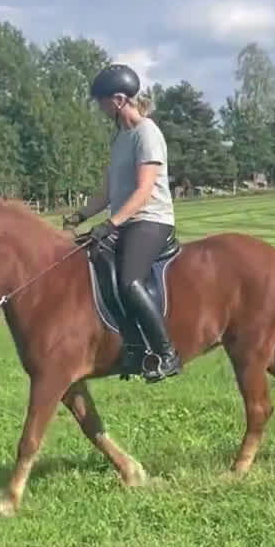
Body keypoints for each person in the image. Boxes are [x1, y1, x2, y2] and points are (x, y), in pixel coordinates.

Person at [65, 62, 182, 383]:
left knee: (130, 280)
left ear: (117, 100)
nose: (99, 107)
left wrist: (111, 224)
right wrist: (81, 216)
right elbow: (108, 191)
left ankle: (166, 352)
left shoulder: (147, 134)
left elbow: (144, 190)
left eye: (101, 101)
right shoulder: (120, 139)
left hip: (151, 220)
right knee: (94, 257)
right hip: (127, 222)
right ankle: (132, 348)